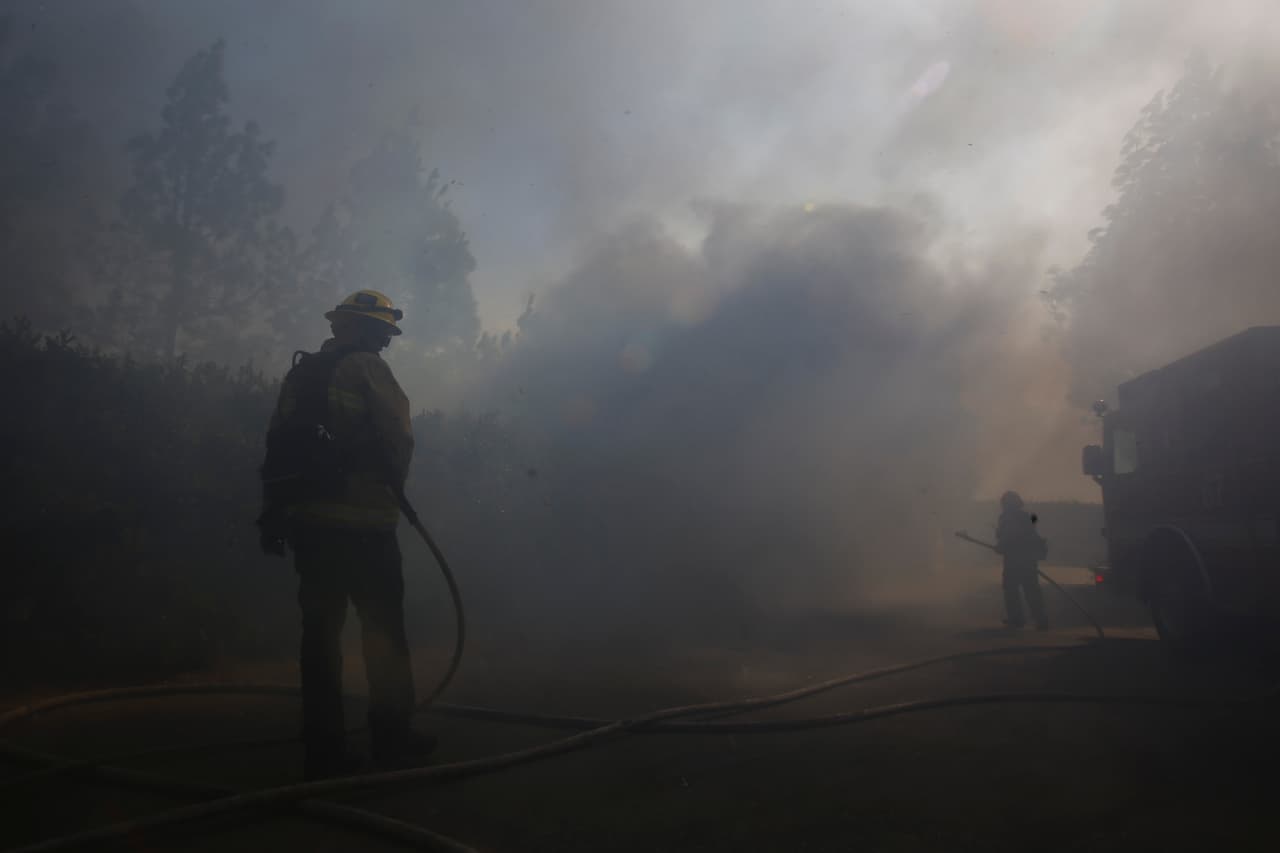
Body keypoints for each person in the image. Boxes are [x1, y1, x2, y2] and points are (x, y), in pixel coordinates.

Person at [257, 289, 436, 779]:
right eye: (382, 331)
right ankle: (392, 737)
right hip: (367, 529)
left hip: (312, 529)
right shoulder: (369, 369)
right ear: (364, 329)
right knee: (384, 634)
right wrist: (391, 488)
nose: (386, 341)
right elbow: (399, 439)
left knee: (319, 639)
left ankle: (323, 750)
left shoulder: (300, 374)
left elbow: (277, 444)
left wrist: (275, 511)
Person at [995, 491, 1048, 631]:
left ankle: (1017, 619)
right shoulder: (1028, 516)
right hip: (1029, 559)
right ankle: (1041, 619)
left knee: (1011, 589)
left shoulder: (1006, 518)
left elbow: (1008, 536)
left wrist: (1000, 546)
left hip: (1014, 560)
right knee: (1032, 589)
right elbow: (1032, 534)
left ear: (1006, 504)